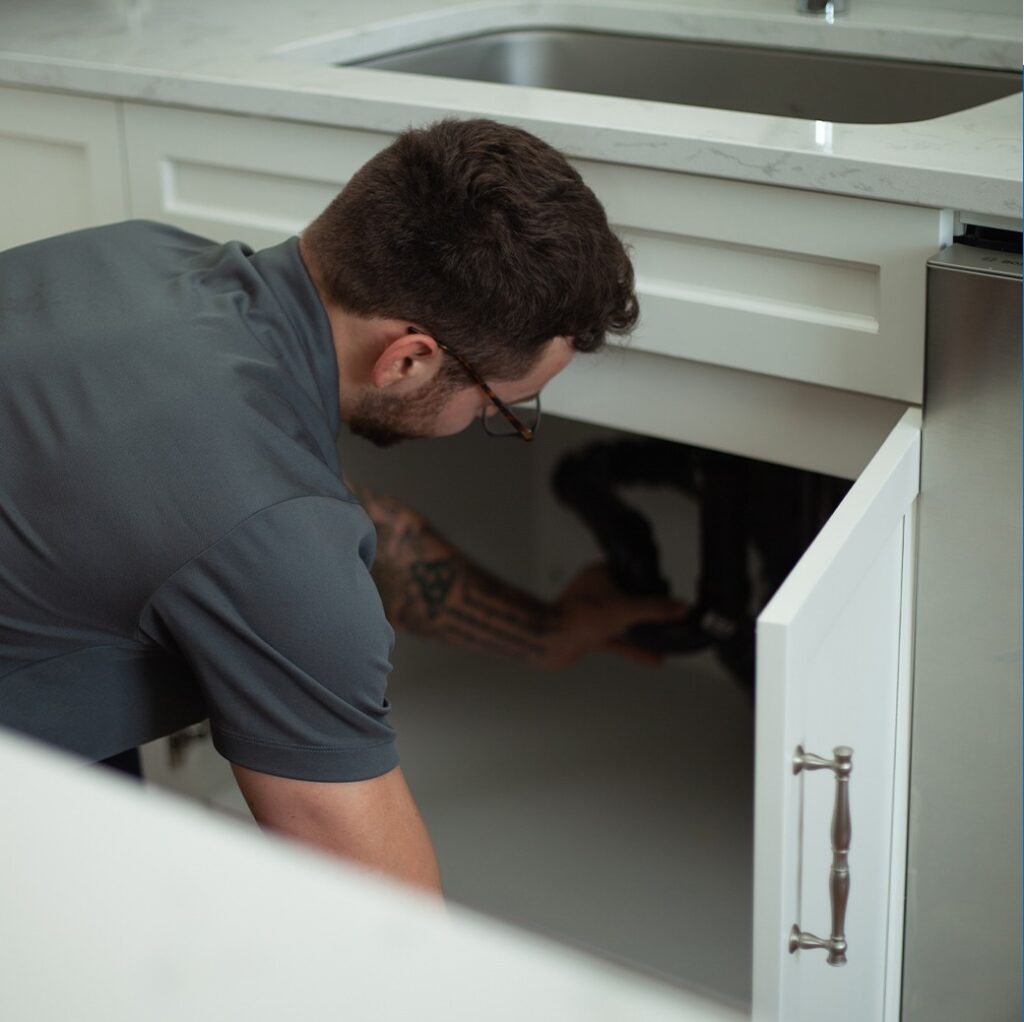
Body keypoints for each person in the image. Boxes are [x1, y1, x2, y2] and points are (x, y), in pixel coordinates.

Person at [0, 118, 686, 896]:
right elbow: (387, 924)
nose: (490, 424)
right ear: (409, 359)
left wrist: (549, 634)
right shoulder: (270, 527)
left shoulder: (140, 255)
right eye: (506, 404)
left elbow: (284, 529)